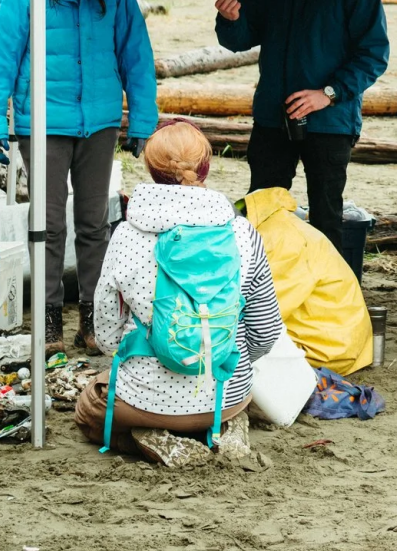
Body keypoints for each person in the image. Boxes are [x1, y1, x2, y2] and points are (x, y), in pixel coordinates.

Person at [0, 0, 159, 351]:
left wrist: (143, 119)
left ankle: (94, 320)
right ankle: (50, 318)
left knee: (95, 224)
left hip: (98, 124)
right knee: (49, 224)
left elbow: (137, 57)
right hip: (42, 126)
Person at [77, 121, 280, 462]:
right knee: (234, 395)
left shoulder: (127, 235)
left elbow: (108, 338)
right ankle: (222, 430)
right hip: (224, 397)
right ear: (205, 168)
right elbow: (265, 333)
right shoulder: (243, 233)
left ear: (151, 170)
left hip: (146, 400)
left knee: (90, 408)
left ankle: (156, 441)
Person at [215, 0, 390, 270]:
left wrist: (328, 93)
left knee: (326, 218)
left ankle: (331, 307)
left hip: (330, 121)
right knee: (260, 211)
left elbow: (374, 55)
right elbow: (242, 38)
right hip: (272, 117)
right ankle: (259, 299)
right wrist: (230, 20)